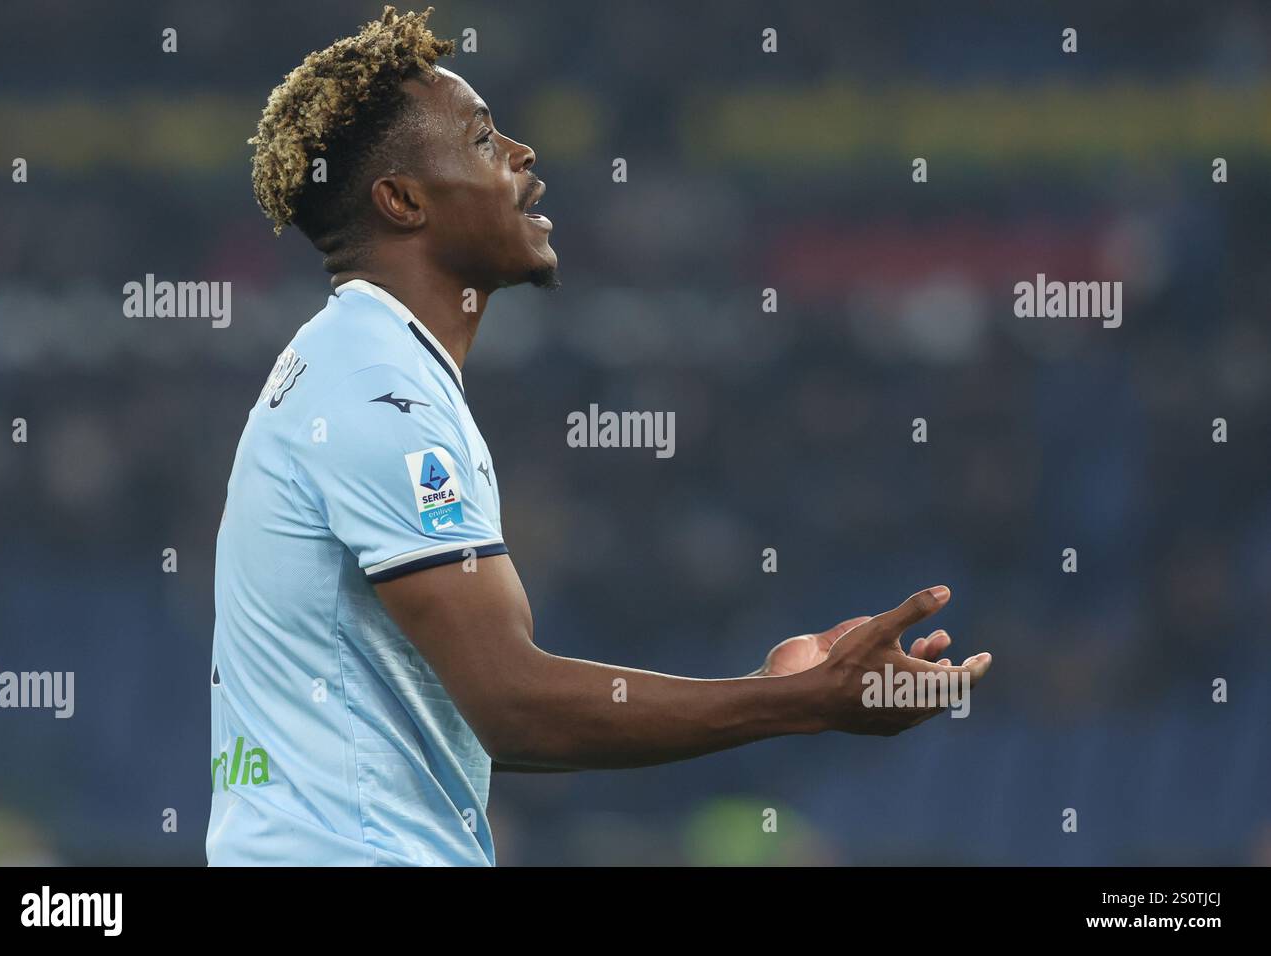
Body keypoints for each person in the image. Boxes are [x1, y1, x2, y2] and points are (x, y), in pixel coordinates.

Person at [207, 5, 992, 866]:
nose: (521, 154)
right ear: (401, 200)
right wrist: (803, 702)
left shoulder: (368, 364)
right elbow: (512, 704)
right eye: (480, 140)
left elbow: (495, 715)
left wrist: (778, 688)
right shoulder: (376, 390)